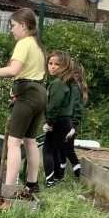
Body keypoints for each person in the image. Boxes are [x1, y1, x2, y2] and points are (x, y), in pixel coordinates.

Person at [0, 7, 46, 191]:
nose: (11, 30)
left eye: (13, 25)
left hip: (28, 94)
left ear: (23, 25)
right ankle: (32, 183)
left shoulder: (24, 43)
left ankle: (9, 187)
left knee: (13, 142)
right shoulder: (37, 45)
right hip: (39, 93)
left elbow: (13, 70)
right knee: (30, 141)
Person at [42, 50, 75, 187]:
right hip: (65, 122)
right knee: (54, 149)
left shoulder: (58, 84)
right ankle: (56, 177)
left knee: (47, 151)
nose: (53, 67)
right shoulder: (65, 83)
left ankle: (49, 181)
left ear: (64, 66)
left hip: (58, 121)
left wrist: (49, 122)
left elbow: (53, 106)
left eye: (57, 64)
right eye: (50, 63)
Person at [59, 61, 88, 181]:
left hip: (69, 124)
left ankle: (77, 178)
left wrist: (73, 126)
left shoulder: (75, 89)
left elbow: (77, 109)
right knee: (62, 151)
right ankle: (60, 176)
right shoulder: (72, 87)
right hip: (66, 123)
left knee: (69, 151)